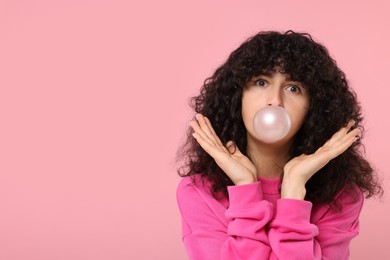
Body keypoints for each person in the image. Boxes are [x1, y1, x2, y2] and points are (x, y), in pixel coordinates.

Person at [175, 30, 383, 260]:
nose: (275, 100)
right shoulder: (199, 192)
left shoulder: (341, 196)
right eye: (261, 82)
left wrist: (294, 193)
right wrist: (245, 188)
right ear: (237, 97)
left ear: (313, 108)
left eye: (293, 88)